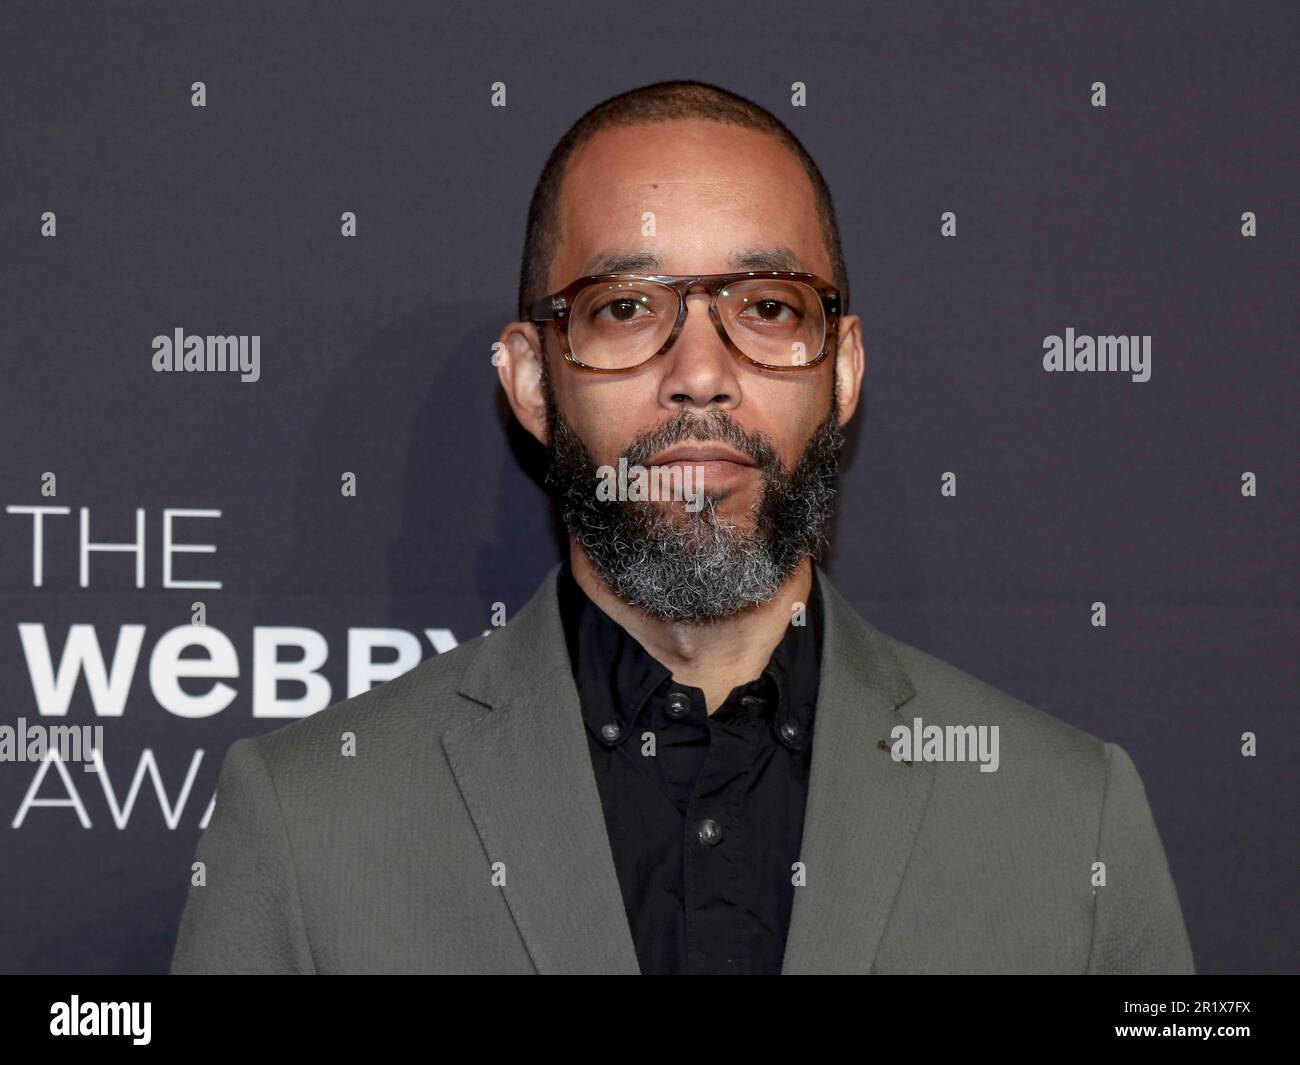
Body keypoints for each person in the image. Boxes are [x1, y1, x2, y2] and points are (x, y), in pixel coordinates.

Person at [171, 80, 1194, 975]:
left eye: (766, 306)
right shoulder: (310, 825)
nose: (699, 373)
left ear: (840, 372)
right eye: (624, 308)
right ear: (533, 380)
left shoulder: (1067, 819)